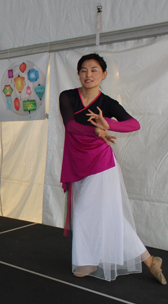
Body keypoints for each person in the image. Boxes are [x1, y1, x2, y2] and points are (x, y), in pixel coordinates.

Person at [59, 53, 166, 284]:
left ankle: (86, 259)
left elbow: (134, 124)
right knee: (106, 215)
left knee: (85, 210)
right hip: (77, 161)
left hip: (101, 162)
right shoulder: (67, 96)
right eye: (84, 70)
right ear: (78, 74)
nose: (89, 75)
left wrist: (110, 124)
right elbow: (71, 125)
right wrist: (96, 130)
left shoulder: (108, 103)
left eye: (94, 70)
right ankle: (149, 260)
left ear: (104, 74)